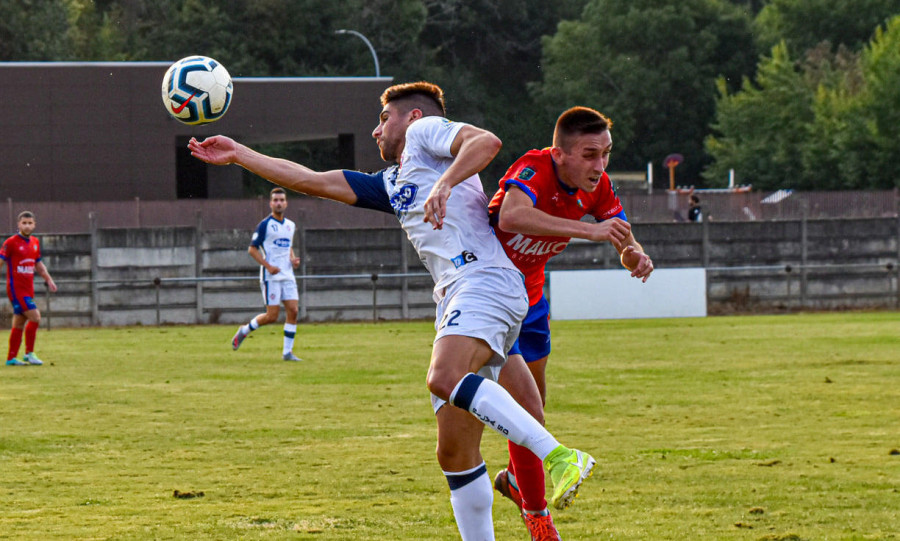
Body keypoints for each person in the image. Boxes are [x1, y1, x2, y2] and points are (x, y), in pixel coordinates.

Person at [189, 81, 597, 541]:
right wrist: (239, 153)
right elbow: (308, 178)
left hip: (482, 282)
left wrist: (445, 183)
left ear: (412, 119)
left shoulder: (428, 137)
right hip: (463, 295)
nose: (375, 129)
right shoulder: (393, 182)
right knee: (456, 452)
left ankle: (560, 457)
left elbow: (486, 142)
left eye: (384, 119)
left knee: (444, 379)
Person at [486, 106, 654, 529]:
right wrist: (589, 231)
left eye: (606, 154)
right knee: (527, 412)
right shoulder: (534, 167)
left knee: (534, 407)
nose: (600, 165)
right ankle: (538, 519)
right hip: (489, 297)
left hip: (533, 299)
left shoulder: (597, 185)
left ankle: (517, 484)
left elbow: (620, 229)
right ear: (560, 154)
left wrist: (631, 252)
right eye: (590, 154)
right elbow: (511, 215)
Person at [231, 187, 303, 361]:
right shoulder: (265, 225)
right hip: (271, 276)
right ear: (271, 203)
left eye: (281, 200)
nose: (279, 203)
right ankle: (244, 330)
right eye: (275, 200)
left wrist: (293, 260)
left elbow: (288, 247)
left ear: (286, 203)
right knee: (272, 316)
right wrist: (268, 266)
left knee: (293, 311)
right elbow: (252, 249)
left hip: (287, 275)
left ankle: (287, 353)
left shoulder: (290, 225)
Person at [1, 211, 57, 366]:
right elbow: (1, 261)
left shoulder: (35, 242)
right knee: (35, 317)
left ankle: (11, 358)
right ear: (18, 224)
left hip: (28, 288)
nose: (27, 225)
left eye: (29, 223)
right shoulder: (11, 242)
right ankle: (29, 354)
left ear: (34, 224)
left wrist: (49, 279)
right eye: (24, 223)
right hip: (16, 289)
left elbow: (38, 265)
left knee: (19, 322)